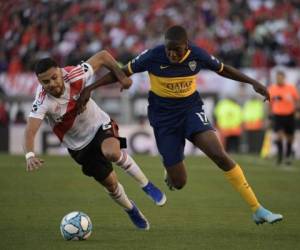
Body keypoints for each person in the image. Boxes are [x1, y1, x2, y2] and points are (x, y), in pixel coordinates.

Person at [76, 25, 282, 225]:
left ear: (187, 47)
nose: (172, 54)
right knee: (179, 182)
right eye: (169, 50)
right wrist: (91, 88)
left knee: (219, 155)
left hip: (190, 110)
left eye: (177, 50)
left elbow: (223, 69)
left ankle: (257, 209)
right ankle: (170, 167)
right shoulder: (153, 55)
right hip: (164, 118)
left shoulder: (197, 55)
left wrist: (253, 82)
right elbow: (122, 72)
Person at [23, 51, 167, 231]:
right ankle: (131, 209)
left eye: (54, 77)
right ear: (39, 82)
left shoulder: (74, 74)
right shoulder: (42, 101)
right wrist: (29, 155)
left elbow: (104, 56)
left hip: (100, 125)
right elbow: (30, 130)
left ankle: (147, 185)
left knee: (112, 152)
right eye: (46, 82)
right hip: (78, 147)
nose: (52, 84)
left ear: (60, 72)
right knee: (111, 184)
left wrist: (122, 77)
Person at [268, 70, 300, 165]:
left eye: (280, 77)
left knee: (290, 137)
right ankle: (280, 156)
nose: (279, 79)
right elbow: (269, 103)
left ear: (284, 78)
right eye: (277, 78)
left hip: (289, 115)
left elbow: (297, 100)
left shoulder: (291, 88)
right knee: (279, 135)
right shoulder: (272, 88)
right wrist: (269, 116)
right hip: (277, 115)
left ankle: (288, 156)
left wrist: (297, 111)